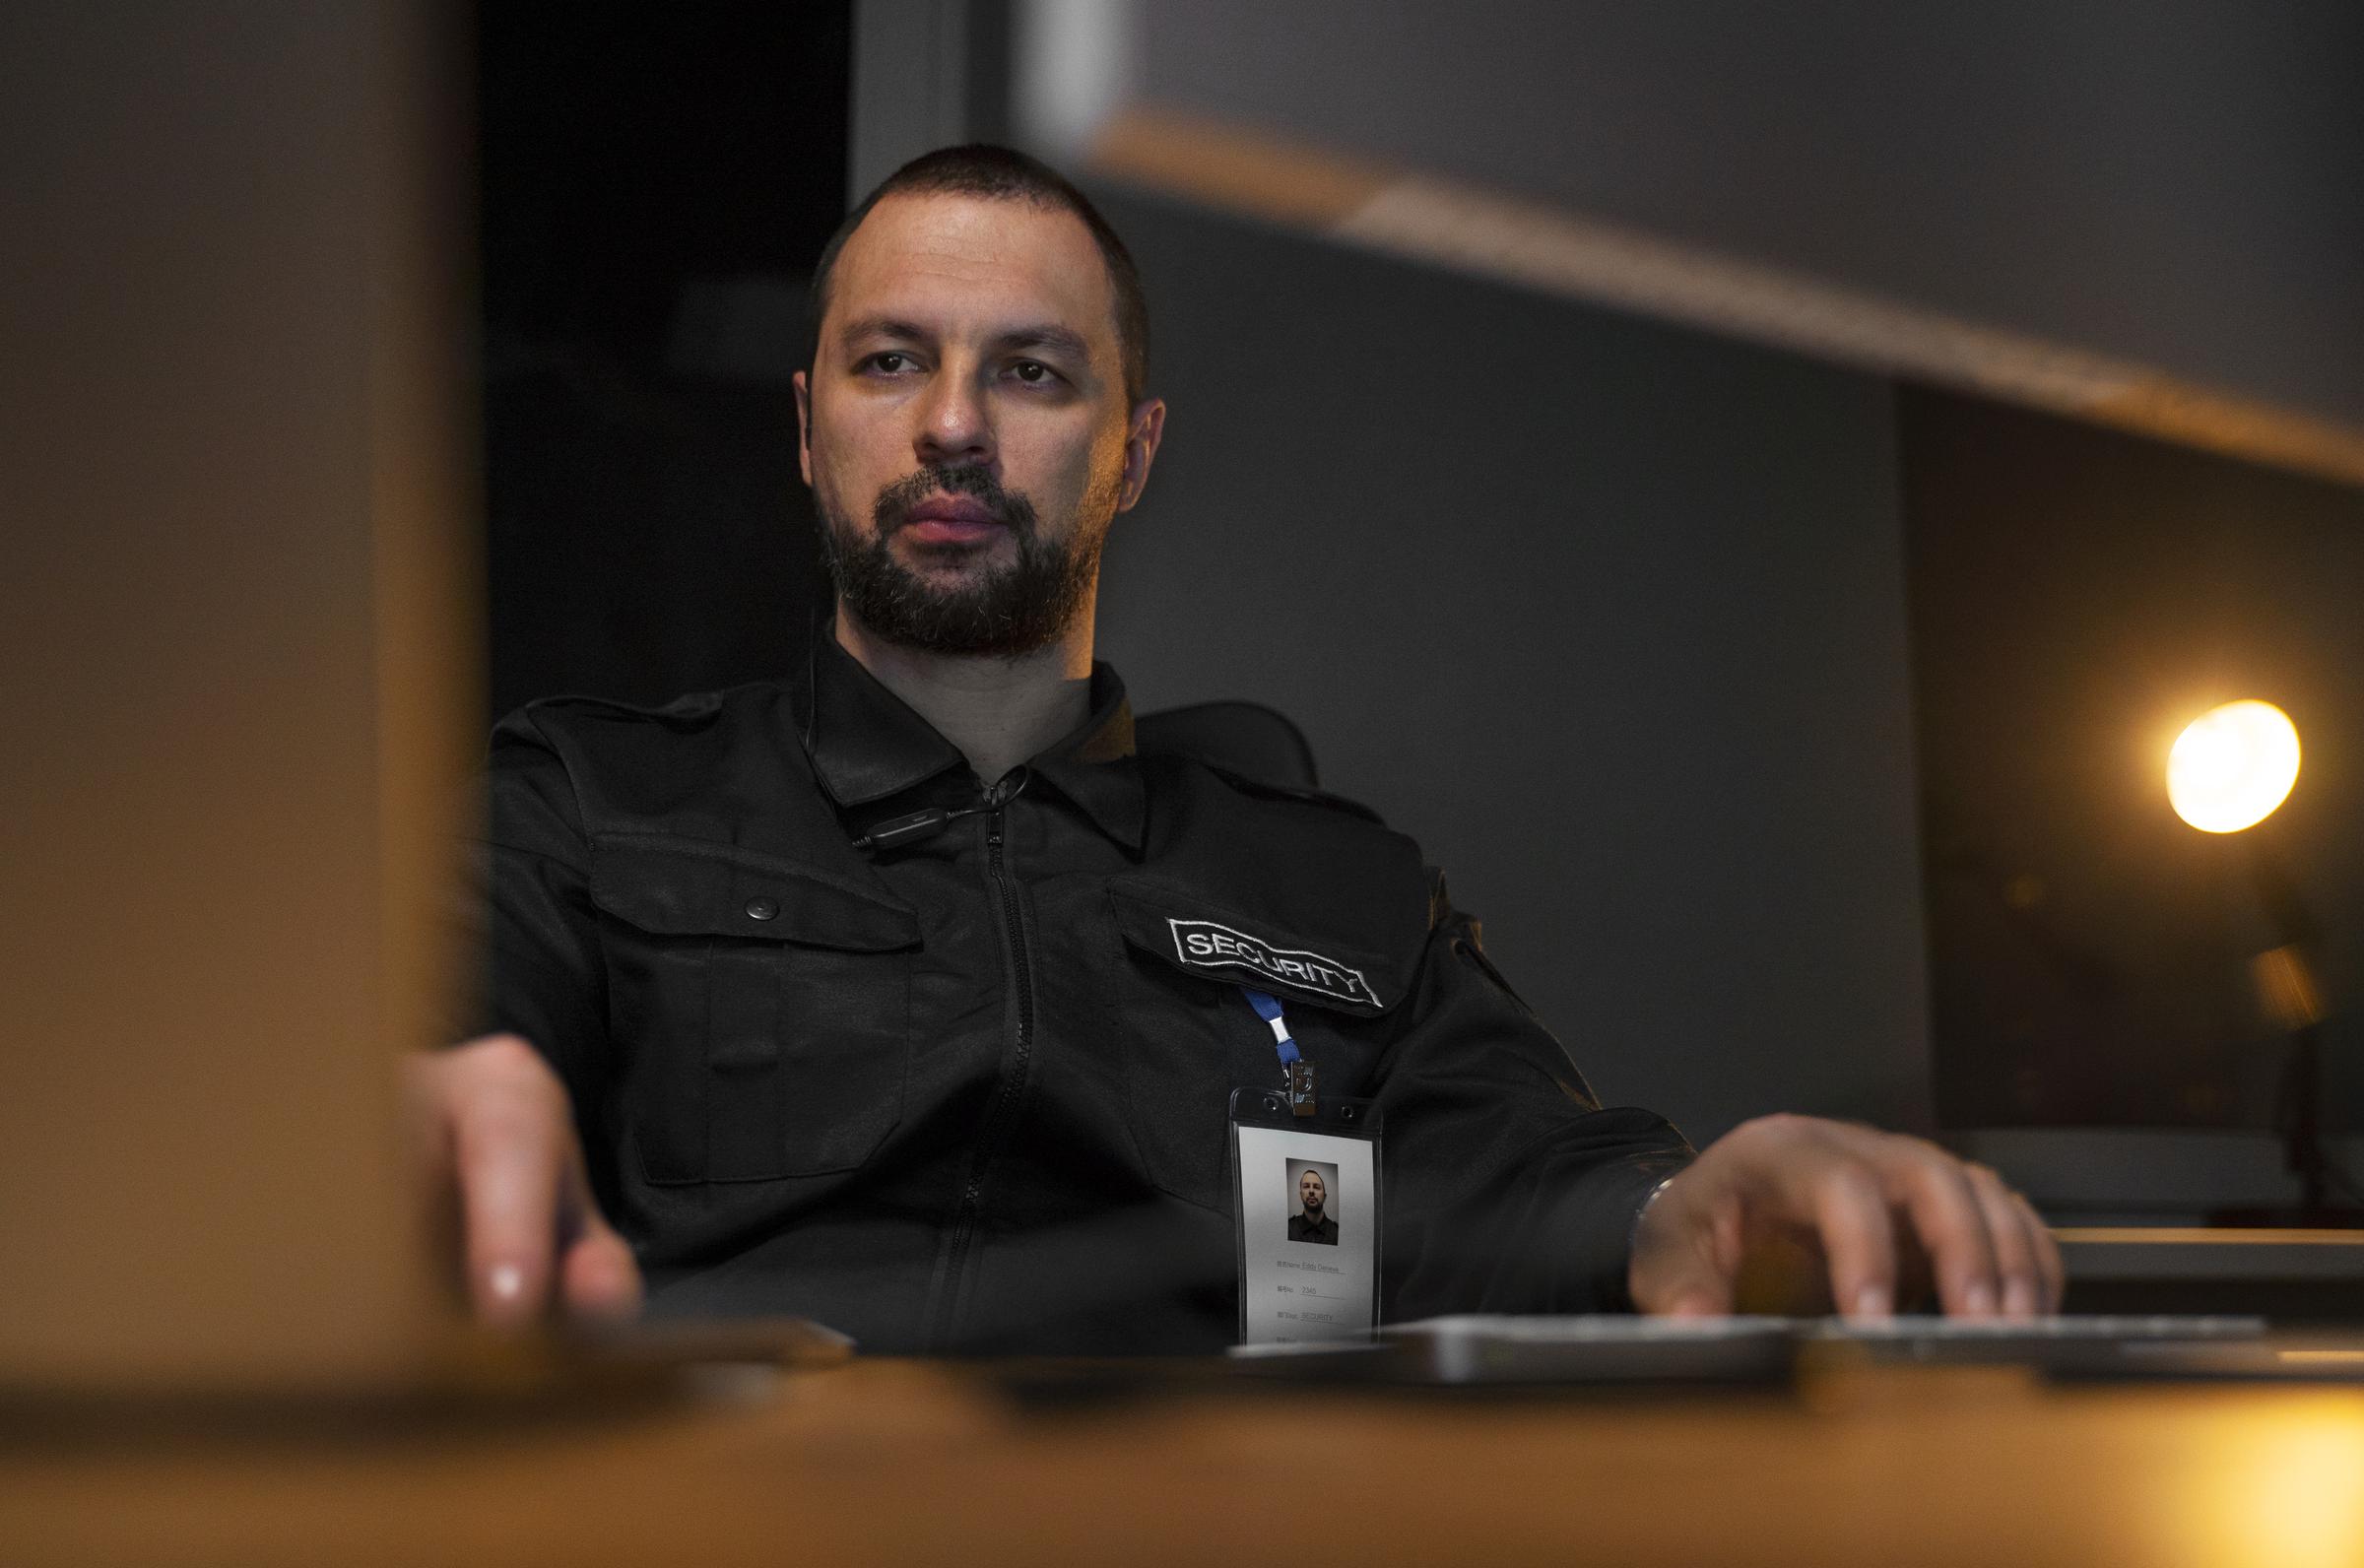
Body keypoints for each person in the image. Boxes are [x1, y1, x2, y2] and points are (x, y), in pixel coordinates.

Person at [411, 145, 2064, 1352]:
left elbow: (1514, 1175)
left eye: (1033, 372)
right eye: (893, 359)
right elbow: (445, 1026)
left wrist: (1691, 1203)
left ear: (1131, 454)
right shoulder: (588, 801)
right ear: (806, 425)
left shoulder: (1337, 886)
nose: (955, 425)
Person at [1288, 1170, 1339, 1245]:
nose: (1311, 1191)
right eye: (1306, 1186)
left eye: (1316, 1187)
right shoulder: (1289, 1229)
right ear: (1301, 1195)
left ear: (1324, 1197)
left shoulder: (1336, 1232)